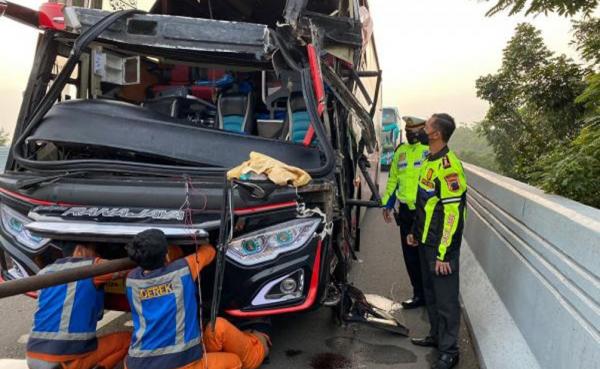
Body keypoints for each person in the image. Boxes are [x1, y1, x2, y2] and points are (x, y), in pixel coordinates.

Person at [124, 229, 269, 369]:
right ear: (166, 255)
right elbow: (210, 251)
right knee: (235, 361)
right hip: (179, 364)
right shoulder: (182, 270)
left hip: (136, 364)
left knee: (217, 328)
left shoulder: (131, 280)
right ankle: (258, 350)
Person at [407, 113, 467, 369]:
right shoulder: (429, 161)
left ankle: (450, 351)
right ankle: (436, 337)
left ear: (436, 134)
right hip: (425, 241)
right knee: (430, 294)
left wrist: (444, 254)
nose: (421, 129)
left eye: (427, 125)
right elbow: (425, 204)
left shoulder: (449, 168)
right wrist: (413, 230)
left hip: (440, 247)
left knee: (446, 300)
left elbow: (453, 216)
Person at [26, 243, 131, 369]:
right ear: (80, 250)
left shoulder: (44, 272)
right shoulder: (91, 267)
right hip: (63, 361)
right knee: (128, 340)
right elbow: (125, 268)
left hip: (33, 355)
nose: (98, 255)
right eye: (94, 250)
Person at [381, 115, 430, 309]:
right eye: (407, 132)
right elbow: (393, 179)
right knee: (410, 257)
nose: (409, 135)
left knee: (425, 255)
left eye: (413, 132)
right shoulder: (400, 152)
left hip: (425, 212)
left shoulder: (428, 152)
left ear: (421, 132)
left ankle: (431, 295)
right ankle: (418, 295)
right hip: (406, 214)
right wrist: (387, 204)